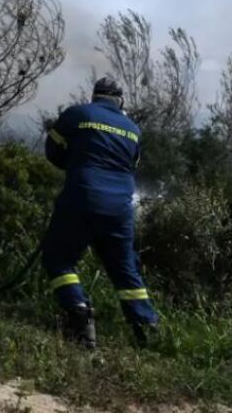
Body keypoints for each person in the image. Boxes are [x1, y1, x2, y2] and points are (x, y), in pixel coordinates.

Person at [42, 76, 159, 348]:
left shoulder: (76, 114)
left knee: (58, 259)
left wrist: (76, 164)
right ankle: (147, 328)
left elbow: (52, 151)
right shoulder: (133, 129)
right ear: (120, 101)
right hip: (120, 208)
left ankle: (78, 312)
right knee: (124, 268)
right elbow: (132, 164)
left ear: (94, 96)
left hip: (82, 196)